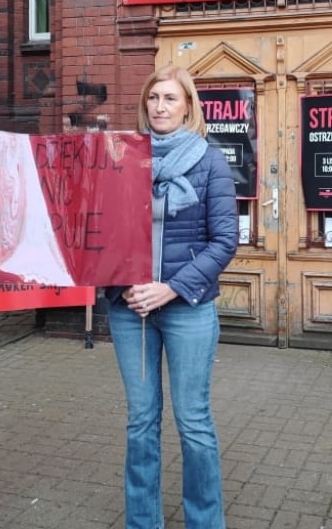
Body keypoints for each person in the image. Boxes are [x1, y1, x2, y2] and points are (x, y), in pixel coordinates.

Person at [105, 65, 238, 529]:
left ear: (188, 107)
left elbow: (225, 241)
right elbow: (104, 234)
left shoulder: (209, 161)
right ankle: (143, 522)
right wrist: (119, 280)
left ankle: (205, 522)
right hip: (130, 311)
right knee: (141, 422)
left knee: (193, 423)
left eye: (170, 99)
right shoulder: (122, 158)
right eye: (154, 98)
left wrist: (170, 288)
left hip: (187, 311)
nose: (160, 107)